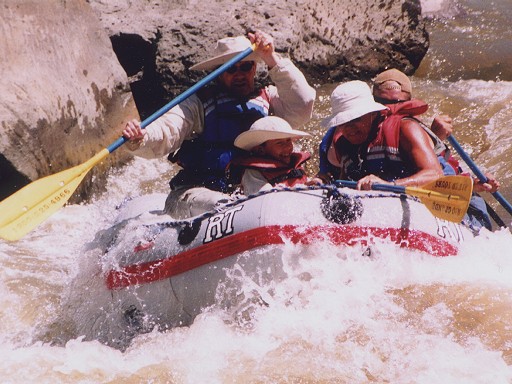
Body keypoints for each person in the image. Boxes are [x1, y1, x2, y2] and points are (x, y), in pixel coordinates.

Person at [122, 30, 316, 219]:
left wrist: (271, 58)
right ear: (219, 73)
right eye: (231, 69)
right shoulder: (197, 103)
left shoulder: (269, 98)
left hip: (255, 189)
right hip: (196, 193)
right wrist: (141, 137)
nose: (239, 74)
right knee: (223, 204)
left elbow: (303, 104)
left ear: (255, 68)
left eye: (245, 67)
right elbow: (167, 130)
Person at [371, 68, 500, 231]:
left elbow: (441, 178)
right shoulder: (360, 130)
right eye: (382, 102)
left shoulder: (411, 129)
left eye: (397, 103)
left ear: (408, 102)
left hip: (462, 210)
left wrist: (476, 184)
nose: (389, 109)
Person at [315, 80, 444, 190]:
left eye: (355, 119)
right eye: (342, 122)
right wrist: (322, 183)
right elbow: (343, 186)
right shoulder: (343, 144)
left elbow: (435, 174)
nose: (349, 128)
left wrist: (389, 185)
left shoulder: (405, 129)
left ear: (373, 114)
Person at [228, 116, 312, 196]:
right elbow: (263, 199)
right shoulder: (252, 173)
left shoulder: (295, 165)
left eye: (288, 140)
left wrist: (312, 185)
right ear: (261, 150)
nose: (288, 147)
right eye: (279, 143)